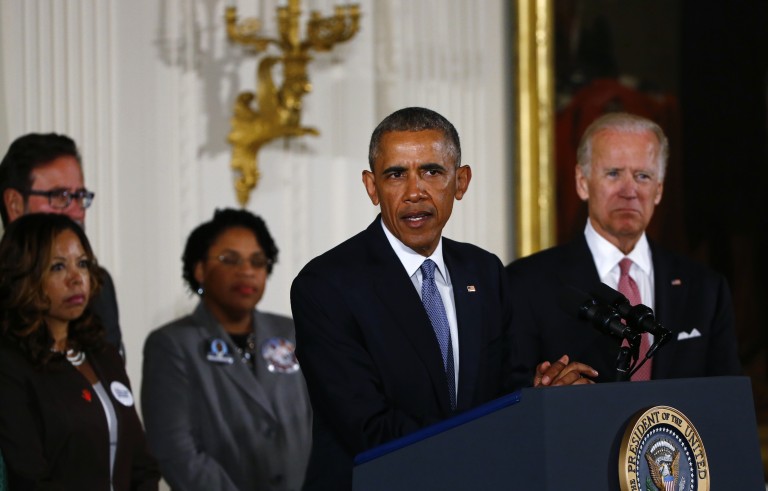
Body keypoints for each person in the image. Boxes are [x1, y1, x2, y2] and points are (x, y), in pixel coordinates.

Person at [290, 107, 596, 490]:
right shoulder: (326, 285)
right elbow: (369, 427)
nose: (414, 192)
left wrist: (540, 396)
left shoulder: (483, 272)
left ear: (461, 181)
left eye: (432, 171)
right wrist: (487, 438)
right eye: (396, 174)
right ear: (372, 187)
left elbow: (503, 388)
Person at [506, 112, 741, 385]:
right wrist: (542, 394)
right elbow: (509, 397)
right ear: (582, 183)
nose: (629, 191)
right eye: (614, 173)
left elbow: (727, 401)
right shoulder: (526, 283)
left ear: (659, 190)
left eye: (642, 176)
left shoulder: (706, 288)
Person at [141, 208, 311, 491]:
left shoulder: (292, 332)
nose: (246, 271)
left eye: (257, 261)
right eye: (229, 260)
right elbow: (177, 454)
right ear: (199, 270)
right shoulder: (171, 345)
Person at [0, 213, 159, 490]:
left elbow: (141, 462)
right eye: (58, 267)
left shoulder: (104, 354)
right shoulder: (11, 364)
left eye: (82, 264)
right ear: (24, 275)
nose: (76, 279)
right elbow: (29, 478)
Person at [0, 133, 123, 352]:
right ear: (15, 204)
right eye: (60, 196)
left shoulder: (96, 287)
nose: (76, 211)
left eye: (80, 196)